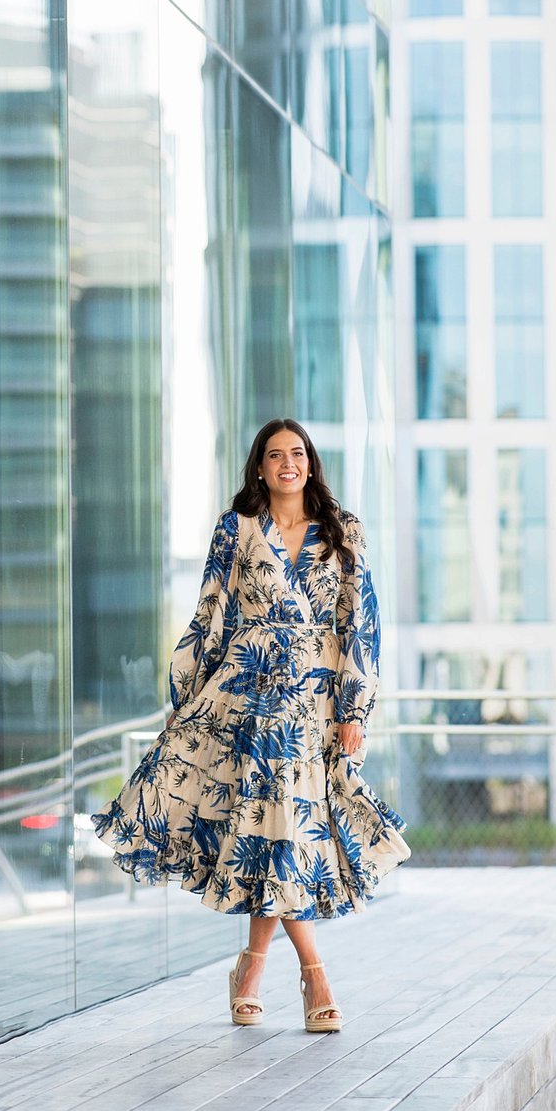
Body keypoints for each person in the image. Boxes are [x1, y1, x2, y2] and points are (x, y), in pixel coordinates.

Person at [92, 418, 410, 1031]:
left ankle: (253, 969)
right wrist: (187, 694)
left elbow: (360, 627)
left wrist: (354, 711)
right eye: (274, 455)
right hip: (244, 697)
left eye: (297, 453)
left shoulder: (344, 534)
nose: (287, 463)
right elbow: (210, 611)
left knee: (276, 830)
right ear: (259, 468)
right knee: (276, 830)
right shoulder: (235, 530)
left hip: (312, 704)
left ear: (310, 464)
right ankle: (313, 976)